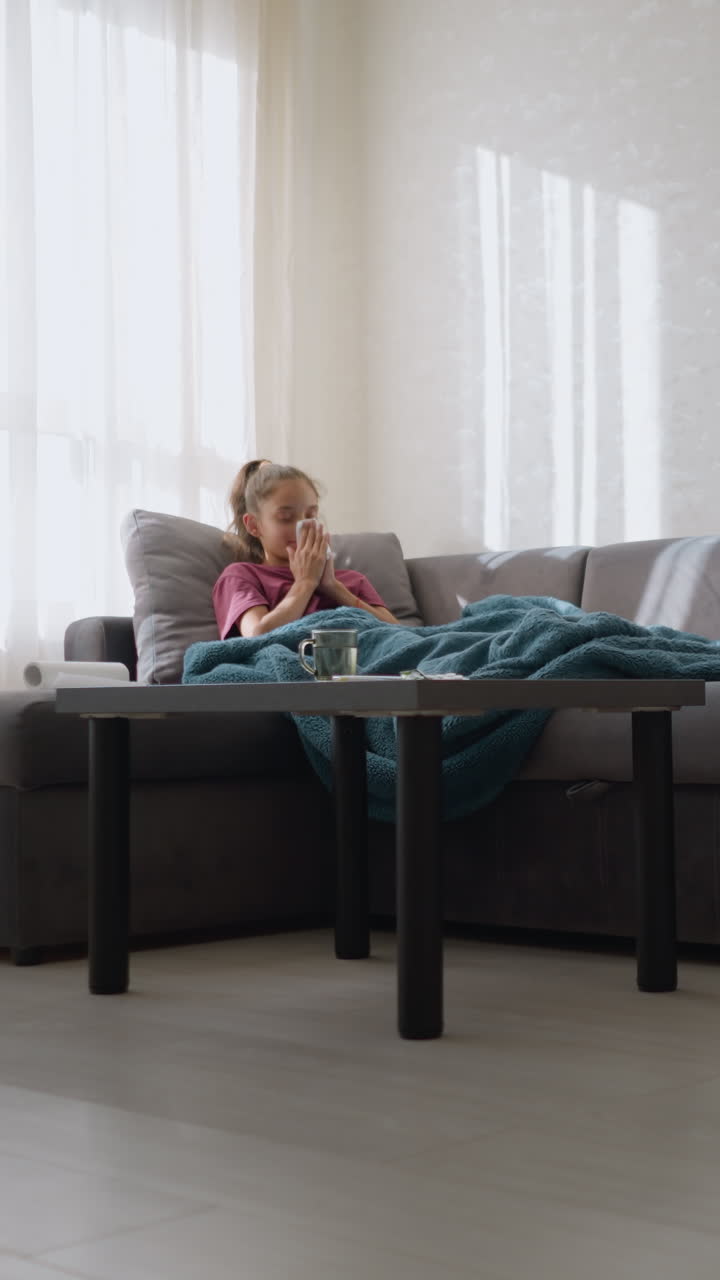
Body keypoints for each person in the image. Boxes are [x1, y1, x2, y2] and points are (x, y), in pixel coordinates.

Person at [213, 459, 400, 638]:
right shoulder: (242, 576)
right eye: (286, 518)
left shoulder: (352, 580)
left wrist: (333, 587)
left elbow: (400, 634)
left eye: (311, 515)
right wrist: (305, 583)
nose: (303, 526)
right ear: (254, 525)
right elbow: (257, 635)